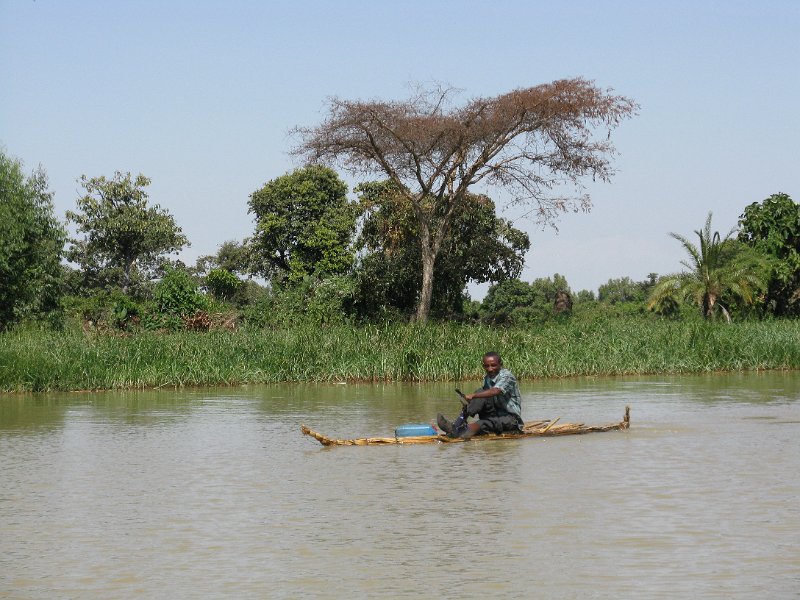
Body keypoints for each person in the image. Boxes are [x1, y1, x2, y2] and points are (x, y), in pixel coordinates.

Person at [437, 351, 523, 439]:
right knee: (480, 392)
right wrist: (469, 403)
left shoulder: (507, 376)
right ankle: (458, 423)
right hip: (494, 414)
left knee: (482, 422)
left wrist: (473, 396)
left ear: (500, 364)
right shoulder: (487, 378)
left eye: (493, 365)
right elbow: (483, 397)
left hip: (510, 420)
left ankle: (460, 431)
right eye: (487, 366)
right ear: (483, 366)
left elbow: (496, 391)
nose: (490, 369)